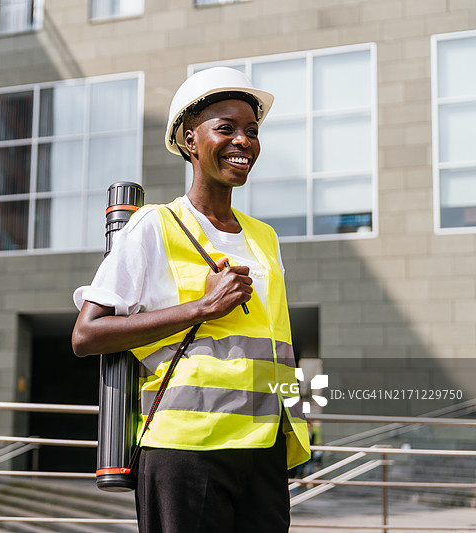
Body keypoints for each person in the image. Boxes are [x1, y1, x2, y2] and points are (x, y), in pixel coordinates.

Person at [71, 67, 311, 533]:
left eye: (252, 131)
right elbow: (87, 335)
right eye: (226, 128)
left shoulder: (266, 237)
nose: (244, 141)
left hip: (263, 450)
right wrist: (200, 309)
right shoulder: (154, 226)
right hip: (186, 450)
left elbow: (275, 346)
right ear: (189, 140)